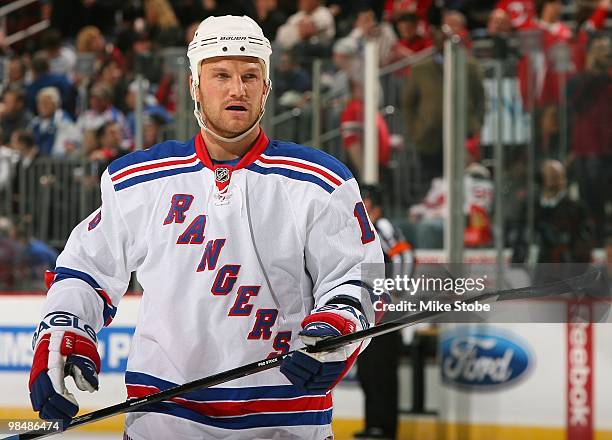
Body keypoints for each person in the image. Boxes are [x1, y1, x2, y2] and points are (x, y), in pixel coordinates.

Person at [28, 15, 384, 440]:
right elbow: (85, 271)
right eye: (221, 75)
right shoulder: (139, 180)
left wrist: (338, 327)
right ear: (195, 85)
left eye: (251, 75)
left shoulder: (320, 181)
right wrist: (65, 328)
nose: (238, 88)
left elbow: (358, 276)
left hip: (286, 426)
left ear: (266, 88)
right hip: (164, 423)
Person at [354, 184, 414, 440]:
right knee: (368, 371)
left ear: (371, 203)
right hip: (367, 313)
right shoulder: (361, 231)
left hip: (385, 314)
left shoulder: (384, 227)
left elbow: (405, 256)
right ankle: (373, 425)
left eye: (362, 199)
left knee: (381, 371)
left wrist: (395, 292)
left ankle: (383, 428)